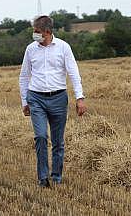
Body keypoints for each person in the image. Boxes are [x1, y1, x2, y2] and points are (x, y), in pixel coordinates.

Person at [19, 16, 86, 188]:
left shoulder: (63, 47)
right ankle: (43, 177)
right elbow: (24, 76)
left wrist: (80, 98)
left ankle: (56, 176)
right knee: (41, 137)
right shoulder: (30, 49)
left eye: (37, 31)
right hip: (36, 98)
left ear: (47, 32)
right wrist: (24, 101)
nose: (34, 34)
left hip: (58, 98)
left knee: (58, 141)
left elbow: (73, 73)